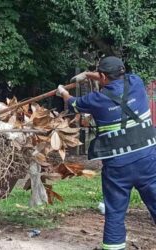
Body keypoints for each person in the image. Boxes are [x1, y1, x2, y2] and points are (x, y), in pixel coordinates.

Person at [56, 56, 156, 250]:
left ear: (102, 76)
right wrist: (88, 75)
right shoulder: (136, 82)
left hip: (119, 166)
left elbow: (73, 103)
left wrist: (62, 92)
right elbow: (110, 77)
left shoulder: (96, 100)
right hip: (148, 160)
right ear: (122, 71)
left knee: (115, 213)